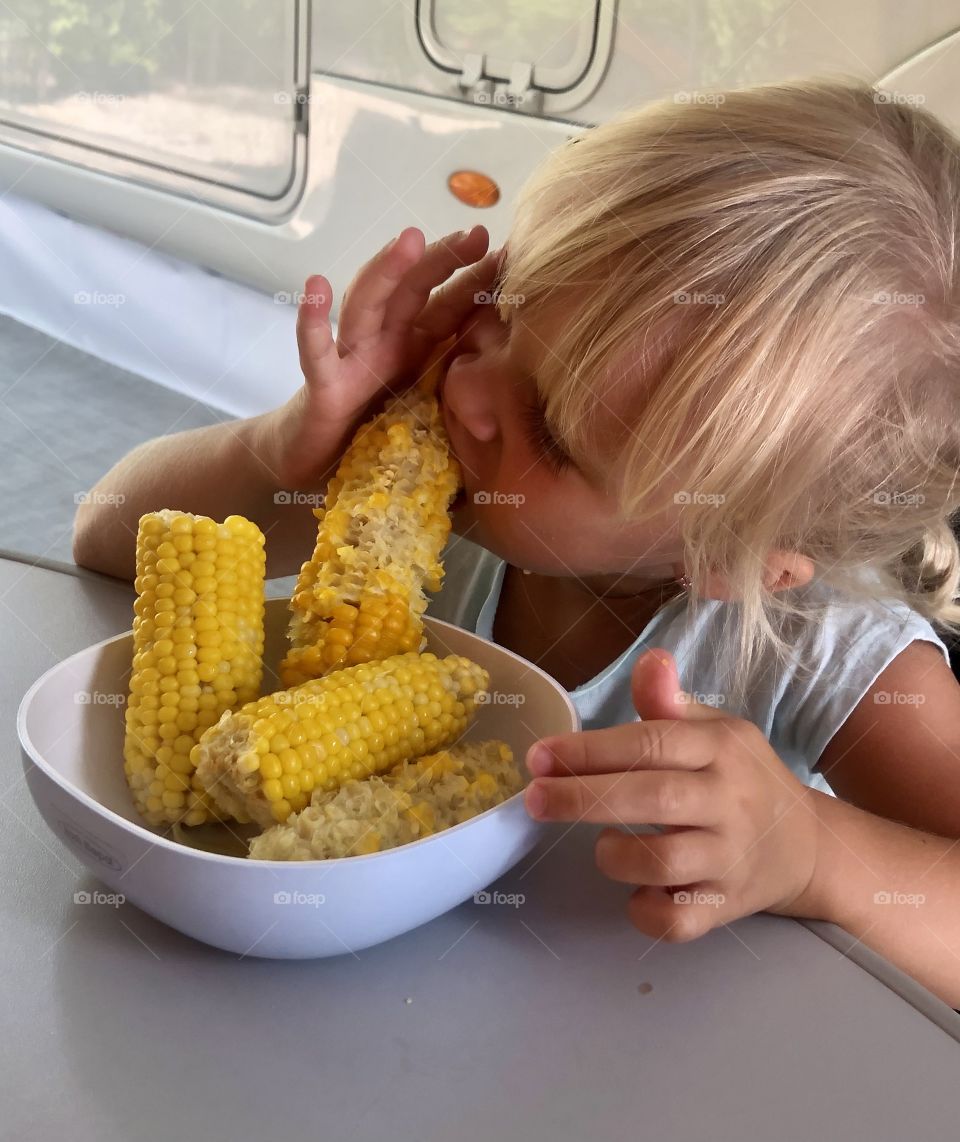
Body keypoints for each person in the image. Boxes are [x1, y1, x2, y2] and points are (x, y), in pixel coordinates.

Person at [74, 78, 960, 1005]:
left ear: (730, 554)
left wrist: (815, 851)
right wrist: (282, 447)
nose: (466, 388)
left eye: (549, 433)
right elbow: (106, 534)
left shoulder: (826, 656)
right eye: (501, 303)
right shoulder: (446, 509)